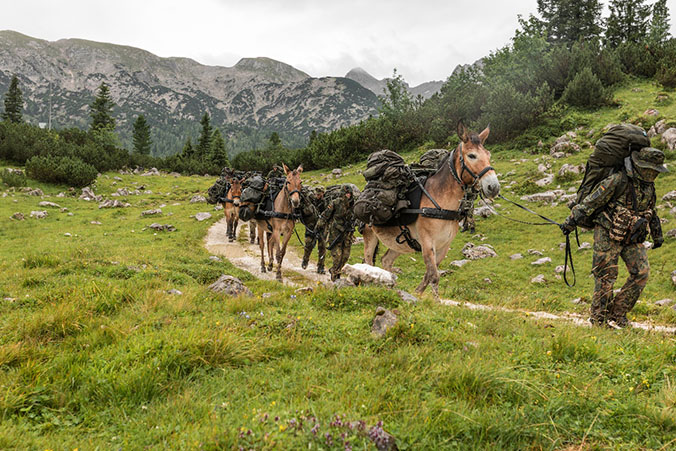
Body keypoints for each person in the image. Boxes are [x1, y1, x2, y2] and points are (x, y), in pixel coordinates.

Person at [561, 148, 667, 328]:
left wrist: (657, 235)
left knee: (642, 272)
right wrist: (571, 221)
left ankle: (618, 313)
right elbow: (591, 202)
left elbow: (651, 210)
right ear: (640, 166)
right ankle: (599, 320)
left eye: (656, 170)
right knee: (606, 275)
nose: (653, 173)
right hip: (607, 231)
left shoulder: (649, 186)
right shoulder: (617, 180)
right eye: (650, 169)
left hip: (631, 234)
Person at [316, 185, 355, 281]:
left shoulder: (353, 204)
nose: (348, 196)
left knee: (345, 256)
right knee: (337, 256)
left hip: (347, 234)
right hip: (336, 233)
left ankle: (335, 270)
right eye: (346, 194)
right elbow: (325, 215)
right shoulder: (336, 203)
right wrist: (319, 226)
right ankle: (335, 275)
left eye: (349, 194)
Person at [300, 186, 327, 274]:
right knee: (308, 244)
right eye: (316, 194)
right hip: (311, 226)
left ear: (323, 194)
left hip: (322, 227)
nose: (317, 196)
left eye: (319, 194)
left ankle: (321, 266)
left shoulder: (326, 202)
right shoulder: (310, 200)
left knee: (322, 246)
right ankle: (305, 260)